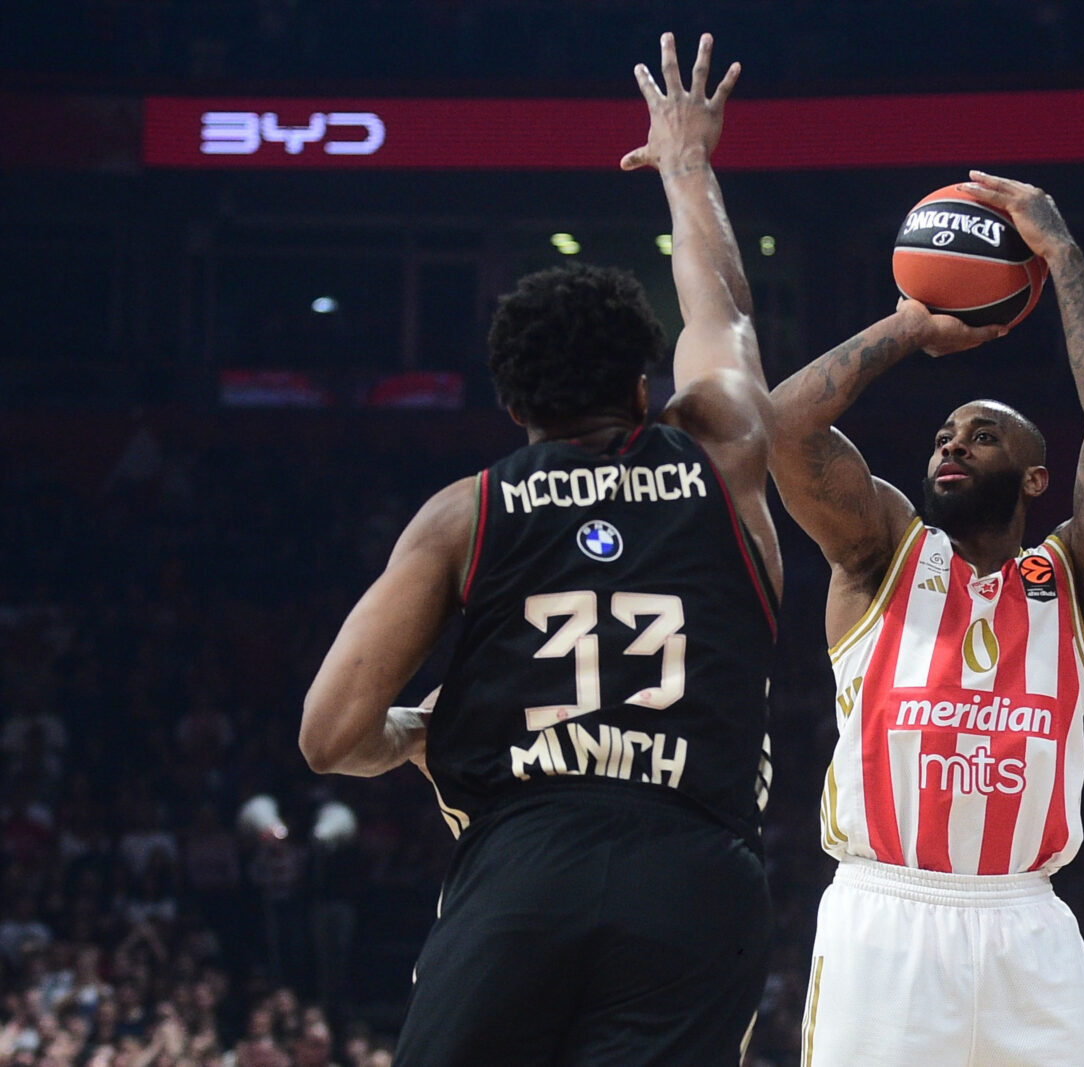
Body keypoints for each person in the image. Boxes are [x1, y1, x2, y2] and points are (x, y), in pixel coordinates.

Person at [299, 32, 781, 1066]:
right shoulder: (726, 448)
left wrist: (412, 730)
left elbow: (329, 733)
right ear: (647, 387)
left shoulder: (462, 514)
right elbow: (724, 311)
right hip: (695, 868)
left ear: (510, 401)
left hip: (523, 865)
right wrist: (688, 165)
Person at [768, 171, 1084, 1065]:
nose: (952, 444)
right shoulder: (882, 555)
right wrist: (909, 324)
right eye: (944, 434)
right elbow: (782, 429)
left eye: (982, 436)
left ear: (1034, 477)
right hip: (886, 915)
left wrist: (1060, 251)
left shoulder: (1077, 584)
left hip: (1028, 922)